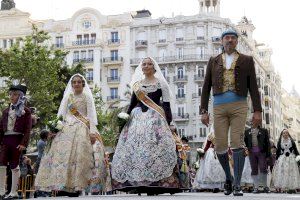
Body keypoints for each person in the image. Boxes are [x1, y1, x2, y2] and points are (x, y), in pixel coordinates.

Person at [200, 29, 262, 196]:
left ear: (236, 41)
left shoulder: (247, 60)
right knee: (219, 145)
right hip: (218, 107)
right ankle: (228, 177)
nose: (229, 40)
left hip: (239, 106)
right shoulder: (213, 61)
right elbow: (206, 87)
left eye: (233, 38)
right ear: (221, 41)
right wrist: (203, 111)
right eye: (226, 38)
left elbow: (254, 88)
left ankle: (237, 184)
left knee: (237, 142)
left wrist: (257, 110)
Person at [111, 57, 179, 195]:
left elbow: (166, 105)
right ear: (141, 68)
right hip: (136, 119)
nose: (146, 66)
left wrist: (169, 123)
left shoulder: (161, 84)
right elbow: (131, 105)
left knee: (154, 149)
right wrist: (124, 119)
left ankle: (156, 182)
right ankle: (137, 182)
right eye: (144, 64)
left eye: (149, 64)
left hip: (155, 119)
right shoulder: (137, 85)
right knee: (137, 149)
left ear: (154, 67)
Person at [35, 74, 105, 196]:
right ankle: (61, 185)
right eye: (74, 82)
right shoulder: (68, 97)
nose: (76, 84)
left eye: (79, 82)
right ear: (72, 84)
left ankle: (75, 186)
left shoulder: (87, 96)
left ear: (83, 84)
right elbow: (61, 114)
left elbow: (92, 116)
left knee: (78, 157)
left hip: (82, 127)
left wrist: (92, 132)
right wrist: (54, 129)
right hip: (66, 127)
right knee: (62, 156)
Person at [0, 84, 32, 200]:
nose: (12, 96)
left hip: (17, 140)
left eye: (15, 94)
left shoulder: (26, 111)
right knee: (1, 164)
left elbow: (28, 129)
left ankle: (13, 192)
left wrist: (24, 143)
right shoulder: (5, 111)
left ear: (20, 96)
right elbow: (0, 128)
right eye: (11, 94)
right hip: (5, 140)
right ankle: (1, 191)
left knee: (14, 165)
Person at [272, 129, 300, 193]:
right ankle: (284, 187)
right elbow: (278, 151)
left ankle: (291, 187)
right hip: (283, 158)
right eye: (284, 133)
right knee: (283, 172)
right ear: (282, 134)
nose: (285, 134)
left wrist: (298, 156)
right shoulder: (279, 142)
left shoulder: (292, 141)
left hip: (291, 158)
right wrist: (276, 159)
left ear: (288, 134)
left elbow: (295, 150)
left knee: (291, 172)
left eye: (286, 133)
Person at [244, 125, 271, 193]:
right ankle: (256, 187)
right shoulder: (247, 131)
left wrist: (268, 154)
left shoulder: (264, 130)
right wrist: (248, 149)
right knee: (254, 169)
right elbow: (246, 142)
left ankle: (265, 186)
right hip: (252, 153)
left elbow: (268, 143)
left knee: (263, 168)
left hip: (262, 152)